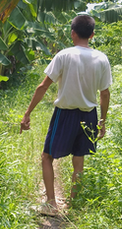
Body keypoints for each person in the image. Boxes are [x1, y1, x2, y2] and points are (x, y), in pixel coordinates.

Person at [20, 14, 111, 216]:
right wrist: (102, 122)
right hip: (89, 115)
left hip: (65, 115)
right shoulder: (102, 58)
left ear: (72, 33)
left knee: (47, 157)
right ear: (92, 35)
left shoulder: (64, 55)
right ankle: (74, 205)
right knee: (79, 162)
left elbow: (43, 86)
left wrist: (27, 113)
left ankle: (51, 204)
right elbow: (104, 94)